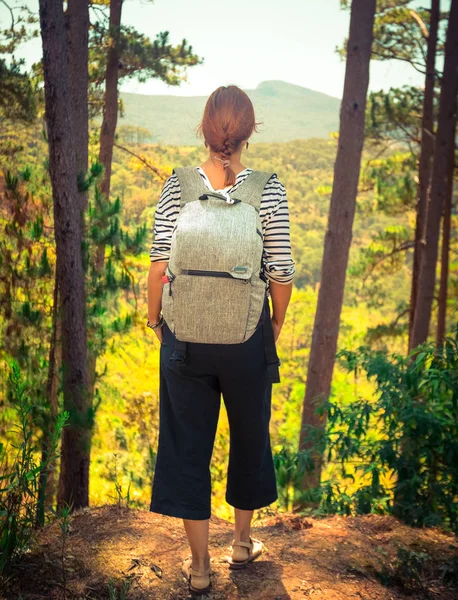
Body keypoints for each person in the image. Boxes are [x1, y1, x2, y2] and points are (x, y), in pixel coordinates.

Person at [147, 85, 295, 594]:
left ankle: (200, 566)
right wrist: (271, 326)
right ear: (249, 131)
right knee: (249, 437)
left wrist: (156, 322)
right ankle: (240, 544)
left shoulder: (179, 184)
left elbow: (158, 264)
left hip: (184, 338)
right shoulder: (268, 189)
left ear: (205, 130)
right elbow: (280, 270)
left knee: (188, 446)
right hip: (246, 339)